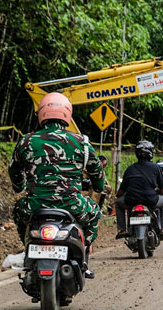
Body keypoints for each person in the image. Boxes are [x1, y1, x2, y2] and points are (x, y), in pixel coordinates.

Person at [9, 92, 103, 277]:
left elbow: (14, 170)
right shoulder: (81, 143)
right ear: (67, 114)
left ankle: (29, 247)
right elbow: (97, 172)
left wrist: (19, 186)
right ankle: (84, 254)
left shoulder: (26, 141)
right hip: (72, 205)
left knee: (18, 214)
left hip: (34, 206)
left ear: (41, 113)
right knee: (95, 214)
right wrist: (98, 186)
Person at [115, 141, 163, 239]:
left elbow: (121, 190)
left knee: (117, 203)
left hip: (131, 200)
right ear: (150, 153)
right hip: (150, 199)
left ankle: (122, 230)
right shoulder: (155, 167)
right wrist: (161, 193)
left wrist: (118, 196)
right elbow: (162, 187)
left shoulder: (130, 169)